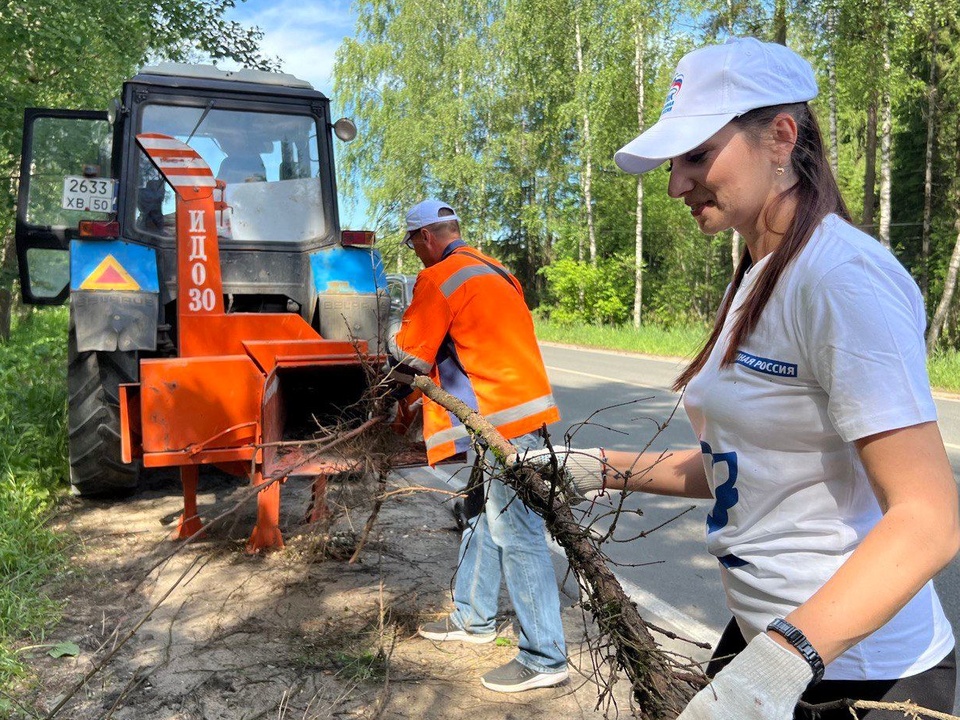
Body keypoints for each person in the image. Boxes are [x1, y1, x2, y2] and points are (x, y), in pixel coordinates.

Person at [520, 37, 960, 718]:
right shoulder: (760, 272)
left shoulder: (842, 278)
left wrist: (778, 667)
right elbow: (744, 464)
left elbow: (930, 520)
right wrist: (599, 468)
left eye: (698, 155)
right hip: (769, 645)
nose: (675, 184)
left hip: (860, 677)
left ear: (780, 137)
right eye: (674, 162)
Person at [387, 199, 569, 693]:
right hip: (521, 412)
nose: (417, 253)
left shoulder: (440, 276)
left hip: (498, 422)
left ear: (425, 237)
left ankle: (545, 656)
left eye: (414, 244)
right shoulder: (498, 271)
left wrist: (384, 377)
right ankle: (473, 618)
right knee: (482, 517)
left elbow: (410, 358)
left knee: (518, 533)